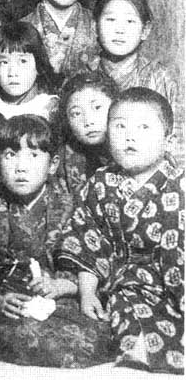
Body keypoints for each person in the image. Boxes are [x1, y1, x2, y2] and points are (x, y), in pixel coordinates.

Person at [57, 88, 183, 373]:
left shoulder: (180, 186)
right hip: (123, 287)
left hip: (175, 284)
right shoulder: (101, 184)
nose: (130, 136)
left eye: (143, 127)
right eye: (120, 125)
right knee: (125, 333)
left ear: (168, 140)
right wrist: (87, 293)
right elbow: (87, 241)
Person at [0, 115, 110, 368]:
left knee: (97, 333)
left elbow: (85, 260)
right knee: (2, 332)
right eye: (10, 155)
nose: (20, 167)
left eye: (33, 156)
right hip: (6, 299)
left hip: (59, 296)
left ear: (53, 164)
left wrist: (60, 286)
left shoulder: (68, 203)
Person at [86, 0, 183, 150]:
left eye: (130, 21)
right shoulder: (83, 75)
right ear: (95, 26)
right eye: (111, 20)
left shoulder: (160, 78)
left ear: (145, 30)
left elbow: (178, 140)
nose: (119, 30)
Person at [0, 23, 59, 121]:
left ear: (38, 65)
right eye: (4, 62)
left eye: (23, 61)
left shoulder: (49, 108)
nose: (12, 73)